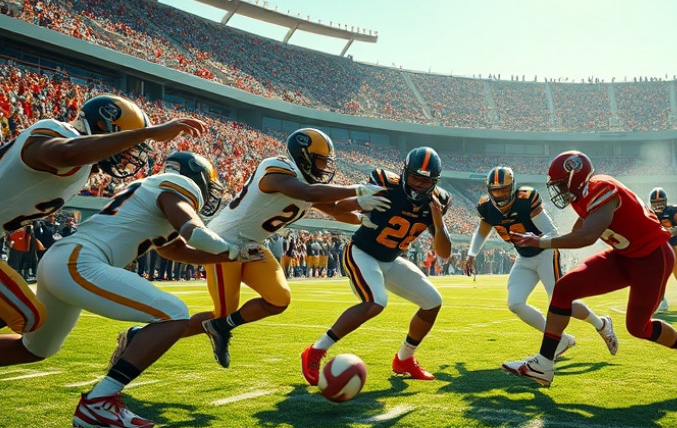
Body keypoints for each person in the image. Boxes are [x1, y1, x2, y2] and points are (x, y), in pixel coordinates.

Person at [6, 151, 255, 428]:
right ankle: (99, 400)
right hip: (79, 262)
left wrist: (231, 258)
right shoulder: (179, 185)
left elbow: (175, 249)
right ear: (195, 176)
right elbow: (192, 231)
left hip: (64, 261)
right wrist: (233, 248)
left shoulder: (150, 187)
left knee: (35, 348)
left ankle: (100, 401)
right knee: (174, 314)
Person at [501, 151, 677, 389]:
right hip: (624, 256)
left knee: (638, 327)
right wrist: (552, 239)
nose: (556, 190)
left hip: (652, 258)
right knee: (565, 288)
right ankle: (544, 364)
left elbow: (588, 235)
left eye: (559, 183)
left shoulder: (601, 188)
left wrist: (541, 242)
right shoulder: (582, 196)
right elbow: (578, 229)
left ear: (574, 177)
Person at [0, 94, 202, 337]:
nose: (129, 153)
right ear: (101, 126)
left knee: (29, 316)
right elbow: (66, 154)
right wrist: (146, 133)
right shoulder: (59, 131)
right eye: (126, 143)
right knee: (27, 315)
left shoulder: (82, 168)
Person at [190, 128, 389, 368]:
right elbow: (306, 192)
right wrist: (357, 189)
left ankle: (220, 327)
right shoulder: (277, 168)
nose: (324, 166)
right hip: (223, 242)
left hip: (252, 246)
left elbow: (336, 209)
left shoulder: (304, 183)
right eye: (321, 160)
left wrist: (363, 218)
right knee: (223, 310)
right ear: (303, 155)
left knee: (278, 299)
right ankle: (150, 335)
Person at [301, 146, 452, 384]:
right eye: (414, 178)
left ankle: (404, 359)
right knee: (376, 301)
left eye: (426, 182)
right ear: (404, 173)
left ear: (435, 182)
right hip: (361, 252)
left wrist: (438, 222)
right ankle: (316, 351)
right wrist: (360, 203)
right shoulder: (385, 185)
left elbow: (444, 253)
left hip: (390, 260)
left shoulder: (438, 202)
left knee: (433, 301)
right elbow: (340, 208)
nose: (419, 186)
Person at [465, 166, 618, 360]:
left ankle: (601, 324)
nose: (500, 194)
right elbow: (482, 230)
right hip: (524, 257)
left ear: (512, 187)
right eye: (496, 190)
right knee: (515, 303)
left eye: (504, 189)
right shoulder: (486, 208)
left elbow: (552, 232)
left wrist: (536, 239)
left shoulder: (525, 200)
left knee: (559, 303)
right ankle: (561, 340)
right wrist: (472, 253)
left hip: (545, 253)